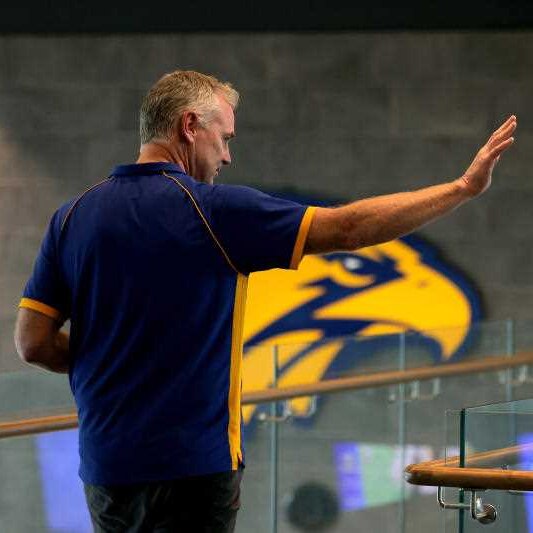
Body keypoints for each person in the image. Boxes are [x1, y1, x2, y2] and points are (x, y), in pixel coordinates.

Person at [14, 70, 516, 532]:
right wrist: (461, 188)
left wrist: (102, 361)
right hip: (194, 467)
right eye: (225, 137)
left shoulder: (72, 216)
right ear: (190, 126)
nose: (228, 155)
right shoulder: (212, 211)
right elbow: (347, 228)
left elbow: (33, 344)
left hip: (106, 466)